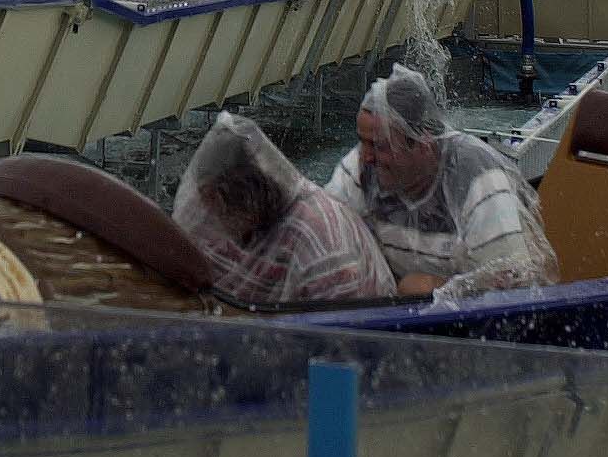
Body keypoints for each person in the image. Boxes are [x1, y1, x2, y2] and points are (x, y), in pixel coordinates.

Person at [325, 66, 556, 303]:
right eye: (361, 142)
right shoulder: (362, 169)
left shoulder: (477, 179)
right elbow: (324, 232)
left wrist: (439, 288)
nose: (365, 156)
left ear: (421, 143)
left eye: (379, 146)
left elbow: (517, 282)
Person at [174, 113, 394, 305]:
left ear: (247, 194)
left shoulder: (321, 245)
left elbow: (343, 336)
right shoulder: (212, 214)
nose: (208, 211)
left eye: (215, 200)